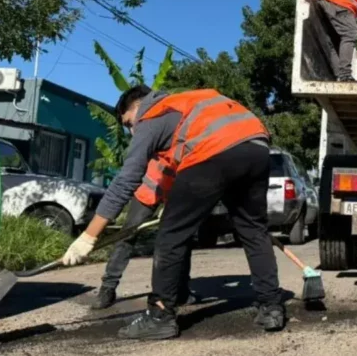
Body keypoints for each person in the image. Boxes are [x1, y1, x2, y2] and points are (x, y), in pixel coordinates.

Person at [62, 85, 284, 340]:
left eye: (128, 123)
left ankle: (160, 317)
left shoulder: (152, 115)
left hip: (213, 150)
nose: (132, 130)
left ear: (137, 107)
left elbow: (126, 180)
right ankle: (271, 307)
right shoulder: (190, 105)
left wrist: (88, 236)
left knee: (170, 235)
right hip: (257, 146)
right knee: (254, 231)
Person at [90, 158, 199, 310]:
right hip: (150, 189)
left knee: (180, 238)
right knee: (127, 236)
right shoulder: (168, 141)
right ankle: (108, 288)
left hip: (178, 194)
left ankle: (181, 289)